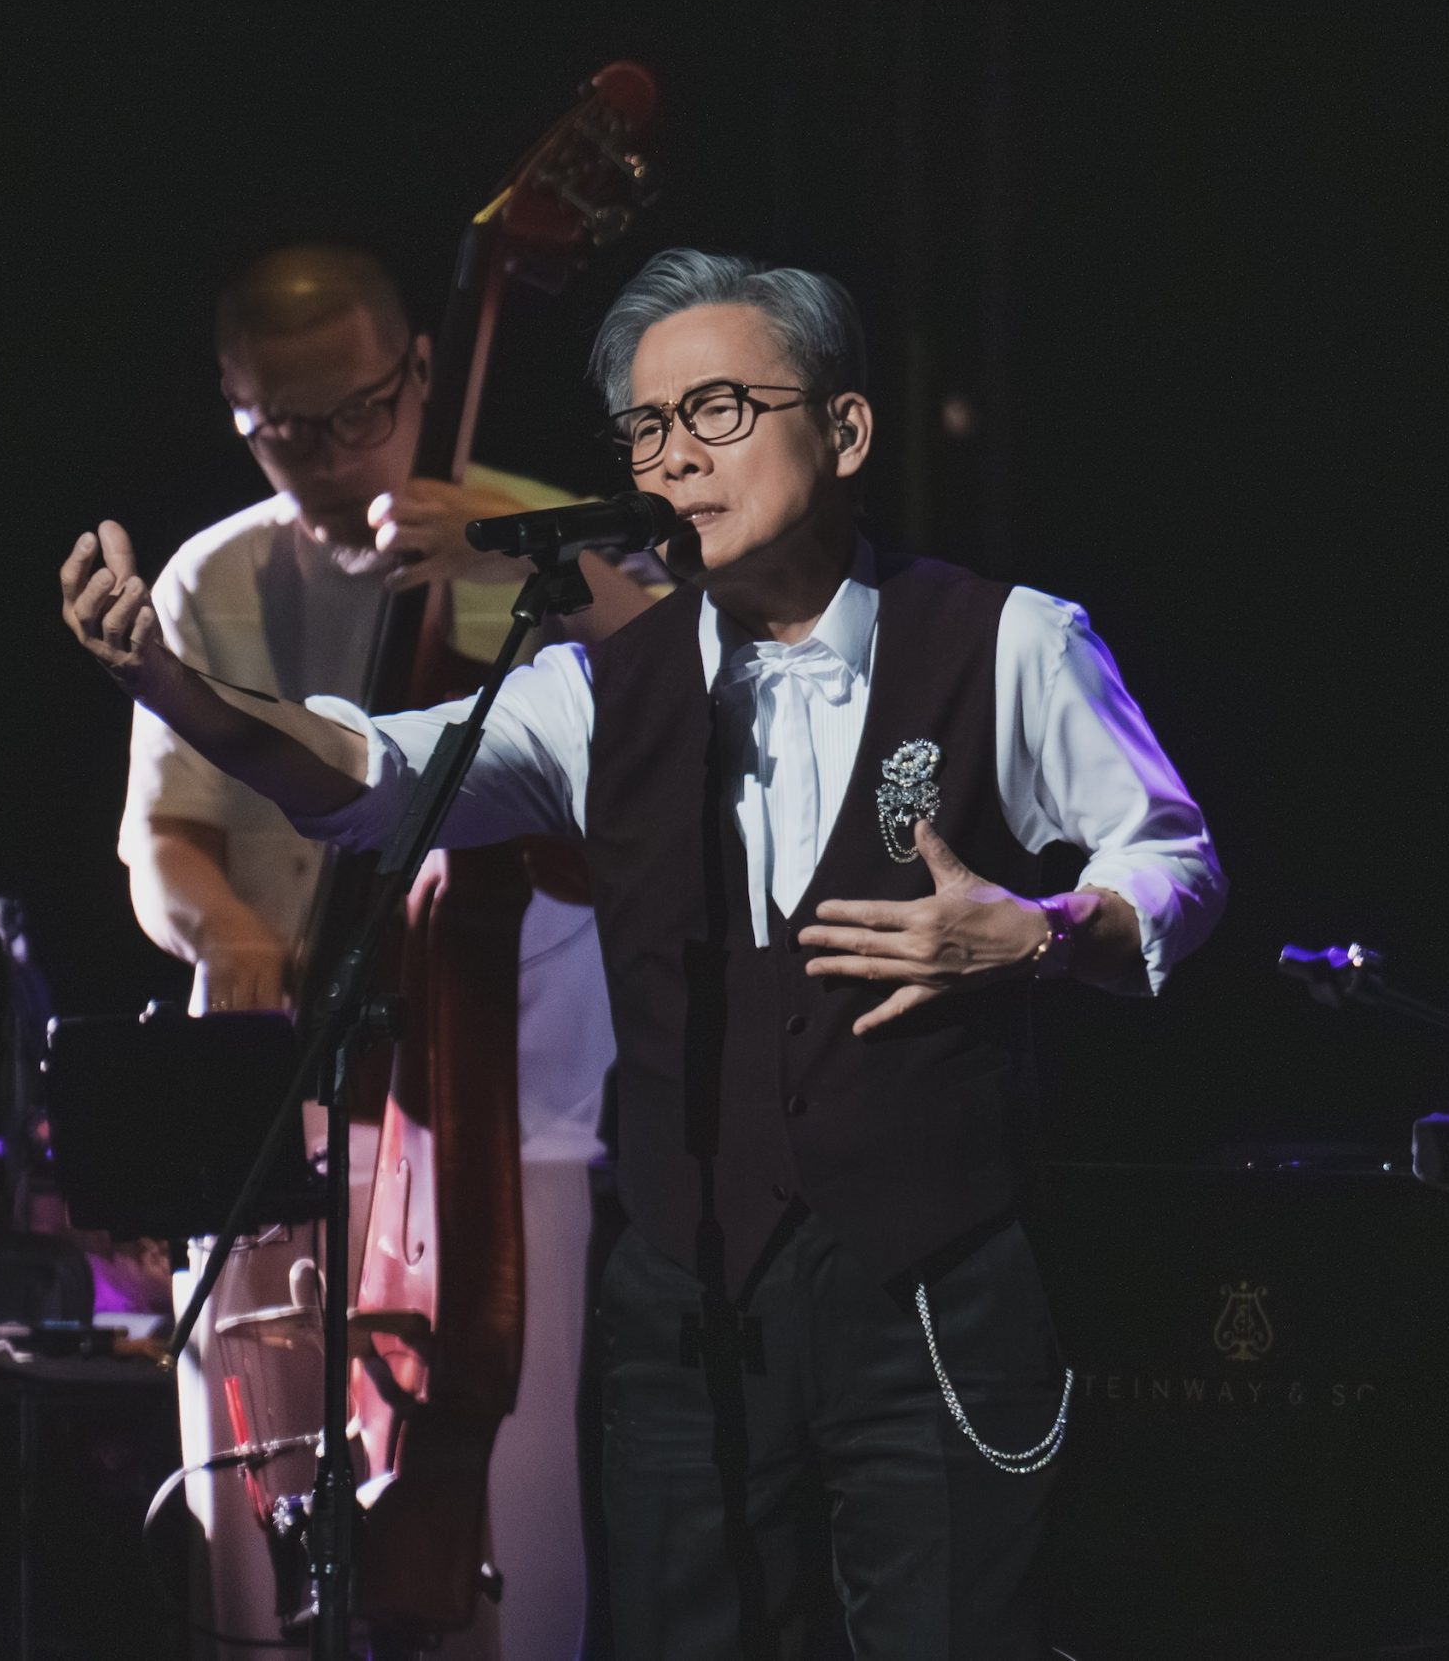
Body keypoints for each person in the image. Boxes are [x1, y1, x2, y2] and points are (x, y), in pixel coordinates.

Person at [62, 248, 1225, 1658]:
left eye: (720, 411)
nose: (677, 456)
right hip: (686, 1309)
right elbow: (370, 773)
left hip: (927, 1294)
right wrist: (170, 684)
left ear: (846, 431)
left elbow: (1172, 863)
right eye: (649, 428)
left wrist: (1043, 933)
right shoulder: (597, 687)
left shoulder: (1008, 641)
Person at [119, 243, 650, 1658]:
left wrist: (522, 553)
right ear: (235, 409)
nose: (332, 456)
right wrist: (230, 934)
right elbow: (161, 839)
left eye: (360, 412)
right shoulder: (214, 577)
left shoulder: (542, 540)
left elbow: (694, 712)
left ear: (422, 372)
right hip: (276, 1105)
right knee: (249, 1533)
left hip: (495, 1114)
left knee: (499, 1540)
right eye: (284, 429)